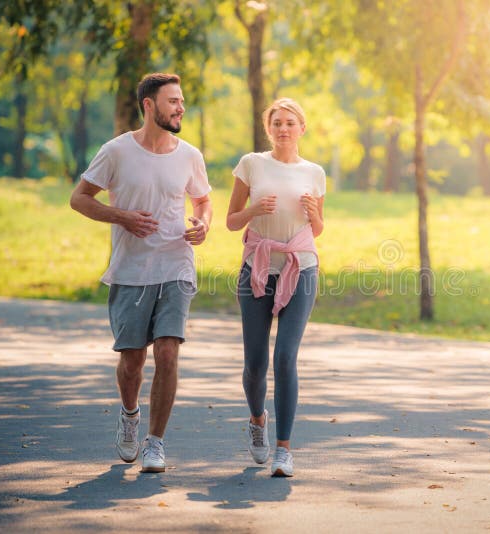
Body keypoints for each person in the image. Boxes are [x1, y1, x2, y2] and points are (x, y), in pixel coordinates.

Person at [70, 73, 212, 473]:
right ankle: (130, 414)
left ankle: (156, 441)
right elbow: (78, 198)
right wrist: (122, 217)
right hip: (131, 269)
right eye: (172, 101)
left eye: (182, 101)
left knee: (167, 351)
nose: (180, 107)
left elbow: (202, 200)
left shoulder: (190, 155)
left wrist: (203, 223)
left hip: (176, 264)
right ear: (149, 106)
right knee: (133, 361)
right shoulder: (116, 152)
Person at [226, 97, 325, 477]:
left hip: (301, 268)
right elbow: (233, 221)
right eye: (277, 123)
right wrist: (255, 210)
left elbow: (317, 229)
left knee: (285, 358)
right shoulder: (252, 164)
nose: (283, 128)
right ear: (269, 129)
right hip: (258, 268)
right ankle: (257, 420)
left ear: (302, 128)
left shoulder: (315, 172)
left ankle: (284, 449)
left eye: (290, 122)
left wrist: (316, 216)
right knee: (255, 363)